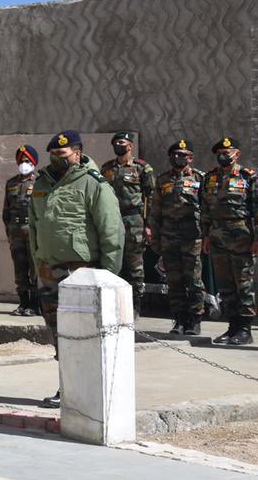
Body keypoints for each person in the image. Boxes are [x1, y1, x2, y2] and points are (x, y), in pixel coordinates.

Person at [28, 130, 123, 408]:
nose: (58, 159)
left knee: (87, 334)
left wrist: (108, 276)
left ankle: (93, 392)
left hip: (82, 272)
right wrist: (38, 264)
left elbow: (111, 231)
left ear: (77, 153)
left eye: (63, 154)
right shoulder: (42, 183)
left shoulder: (94, 183)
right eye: (54, 155)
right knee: (59, 334)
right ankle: (68, 388)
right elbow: (35, 228)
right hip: (49, 272)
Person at [202, 136, 257, 346]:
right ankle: (232, 326)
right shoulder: (210, 178)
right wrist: (206, 235)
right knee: (225, 285)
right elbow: (205, 210)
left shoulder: (248, 177)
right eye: (220, 154)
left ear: (237, 154)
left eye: (227, 153)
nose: (223, 156)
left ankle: (245, 329)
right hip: (216, 235)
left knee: (243, 283)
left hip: (240, 235)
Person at [148, 139, 206, 336]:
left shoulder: (201, 178)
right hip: (169, 237)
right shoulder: (163, 180)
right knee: (174, 281)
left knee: (194, 280)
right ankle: (179, 320)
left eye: (182, 155)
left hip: (192, 237)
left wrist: (206, 236)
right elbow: (155, 212)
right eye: (174, 154)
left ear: (190, 158)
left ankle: (195, 320)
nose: (177, 158)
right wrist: (155, 237)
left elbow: (207, 210)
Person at [100, 132, 155, 317]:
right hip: (113, 219)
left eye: (121, 142)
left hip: (134, 220)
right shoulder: (107, 168)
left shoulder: (142, 168)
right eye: (115, 143)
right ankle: (117, 304)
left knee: (134, 265)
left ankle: (135, 305)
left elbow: (150, 197)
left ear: (130, 146)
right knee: (115, 261)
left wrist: (148, 224)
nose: (118, 145)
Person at [3, 144, 40, 316]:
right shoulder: (11, 183)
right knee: (20, 268)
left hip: (33, 230)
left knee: (35, 268)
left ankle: (35, 305)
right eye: (21, 161)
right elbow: (6, 211)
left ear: (33, 163)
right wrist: (9, 234)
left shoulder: (40, 182)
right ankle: (23, 303)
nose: (24, 164)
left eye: (27, 161)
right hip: (16, 230)